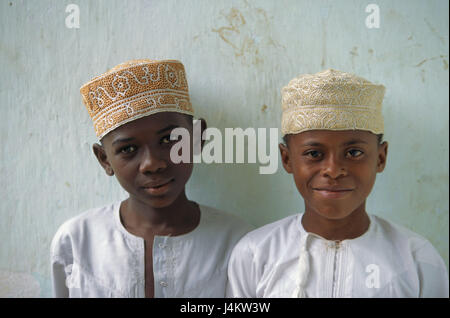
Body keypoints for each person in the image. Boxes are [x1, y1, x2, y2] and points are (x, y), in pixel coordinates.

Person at [226, 69, 449, 298]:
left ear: (380, 158)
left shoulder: (417, 260)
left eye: (354, 152)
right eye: (313, 154)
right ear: (287, 159)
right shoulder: (255, 254)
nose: (333, 170)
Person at [51, 59, 253, 297]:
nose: (152, 164)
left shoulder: (238, 242)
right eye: (128, 149)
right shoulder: (76, 241)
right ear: (104, 159)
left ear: (197, 139)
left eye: (169, 140)